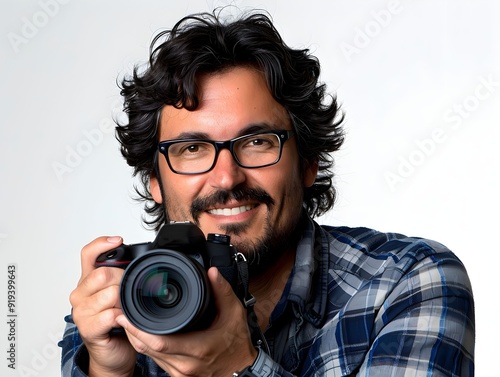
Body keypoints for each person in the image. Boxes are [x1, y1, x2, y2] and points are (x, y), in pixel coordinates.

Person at [59, 10, 475, 377]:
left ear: (308, 162)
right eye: (192, 148)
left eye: (256, 142)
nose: (226, 178)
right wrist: (108, 372)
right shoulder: (119, 298)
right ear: (154, 180)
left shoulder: (404, 282)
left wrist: (236, 367)